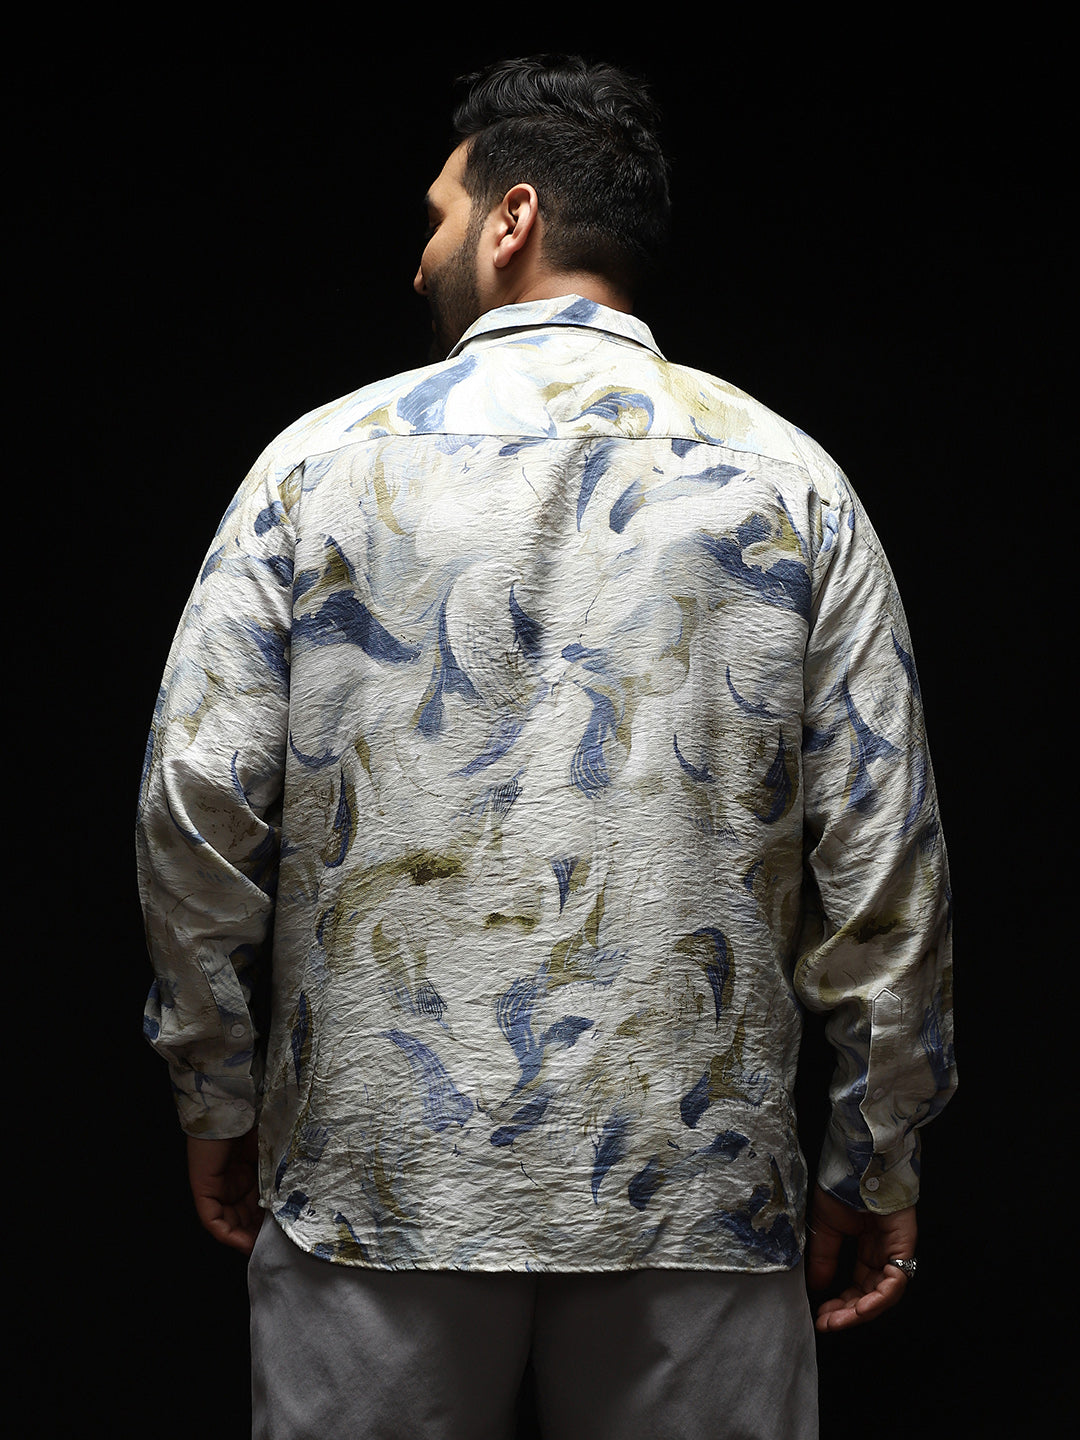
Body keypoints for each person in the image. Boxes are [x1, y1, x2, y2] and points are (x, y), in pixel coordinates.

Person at [137, 54, 955, 1439]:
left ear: (512, 220)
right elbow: (887, 858)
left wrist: (213, 1085)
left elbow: (193, 808)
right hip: (697, 1202)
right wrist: (876, 1151)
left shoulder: (315, 467)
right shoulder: (792, 483)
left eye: (438, 218)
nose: (419, 260)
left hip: (377, 1186)